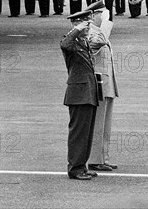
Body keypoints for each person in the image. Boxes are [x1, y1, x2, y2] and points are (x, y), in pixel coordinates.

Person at [60, 10, 100, 180]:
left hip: (88, 93)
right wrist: (76, 29)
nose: (88, 27)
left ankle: (82, 166)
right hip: (79, 94)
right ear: (78, 24)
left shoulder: (83, 42)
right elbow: (64, 44)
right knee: (78, 133)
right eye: (86, 24)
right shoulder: (72, 41)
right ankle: (75, 169)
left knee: (87, 133)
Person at [87, 0, 119, 172]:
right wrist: (106, 24)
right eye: (102, 14)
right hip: (99, 84)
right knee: (98, 124)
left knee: (106, 124)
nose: (105, 17)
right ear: (93, 15)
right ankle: (94, 159)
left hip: (107, 85)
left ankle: (103, 157)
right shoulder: (91, 32)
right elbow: (95, 44)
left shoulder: (100, 32)